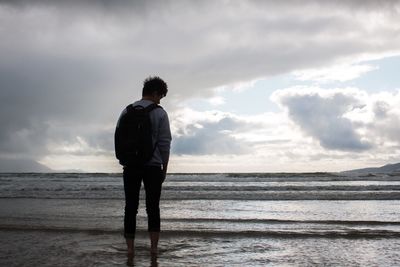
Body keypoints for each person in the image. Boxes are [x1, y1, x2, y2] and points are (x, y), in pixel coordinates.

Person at [116, 76, 172, 258]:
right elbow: (165, 143)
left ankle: (130, 249)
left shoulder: (126, 111)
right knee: (152, 207)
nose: (159, 100)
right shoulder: (160, 113)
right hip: (153, 166)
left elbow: (118, 138)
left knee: (130, 207)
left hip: (130, 165)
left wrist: (124, 159)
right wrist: (164, 168)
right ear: (156, 93)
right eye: (160, 96)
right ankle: (154, 248)